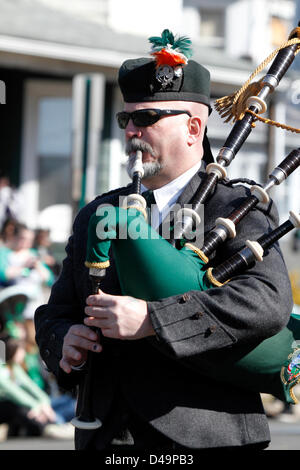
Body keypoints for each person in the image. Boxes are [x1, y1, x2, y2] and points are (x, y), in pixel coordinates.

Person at [34, 30, 293, 452]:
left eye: (147, 118)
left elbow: (267, 302)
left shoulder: (235, 206)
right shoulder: (96, 214)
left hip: (206, 438)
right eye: (126, 119)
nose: (132, 130)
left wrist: (154, 320)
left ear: (193, 127)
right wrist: (64, 341)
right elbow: (56, 311)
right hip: (104, 436)